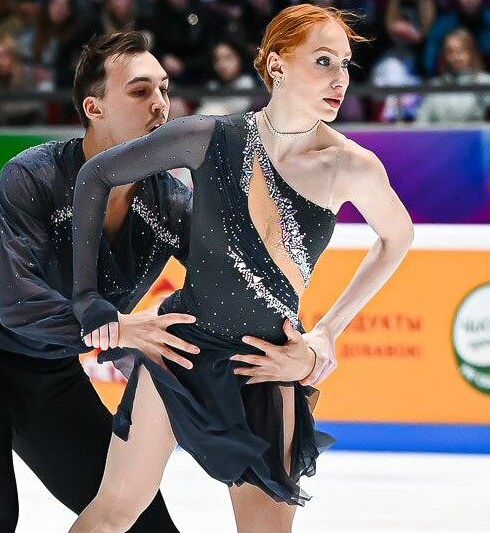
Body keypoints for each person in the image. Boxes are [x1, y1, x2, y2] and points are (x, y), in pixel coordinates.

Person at [0, 29, 317, 533]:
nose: (160, 104)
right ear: (94, 107)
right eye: (140, 91)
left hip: (52, 375)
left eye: (164, 89)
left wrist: (299, 346)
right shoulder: (33, 178)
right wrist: (123, 330)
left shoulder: (169, 203)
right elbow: (17, 304)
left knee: (144, 526)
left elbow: (239, 281)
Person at [69, 5, 414, 533]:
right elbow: (95, 174)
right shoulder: (209, 137)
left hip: (267, 365)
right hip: (180, 350)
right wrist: (87, 296)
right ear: (277, 65)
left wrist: (327, 332)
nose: (340, 79)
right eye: (324, 61)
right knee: (113, 514)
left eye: (345, 64)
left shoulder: (350, 166)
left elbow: (398, 237)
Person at [415, 28, 490, 124]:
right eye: (450, 52)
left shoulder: (487, 82)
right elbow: (422, 122)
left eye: (460, 51)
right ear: (444, 56)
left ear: (470, 53)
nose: (456, 57)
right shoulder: (435, 86)